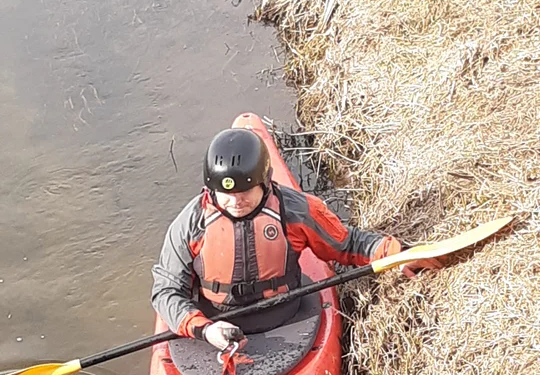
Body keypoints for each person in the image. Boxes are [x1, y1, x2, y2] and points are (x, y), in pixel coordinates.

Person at [151, 128, 441, 351]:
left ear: (265, 183)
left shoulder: (296, 210)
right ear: (211, 189)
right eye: (227, 194)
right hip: (214, 326)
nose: (236, 201)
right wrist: (204, 329)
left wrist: (395, 253)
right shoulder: (189, 225)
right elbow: (166, 291)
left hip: (286, 316)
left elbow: (347, 244)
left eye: (245, 192)